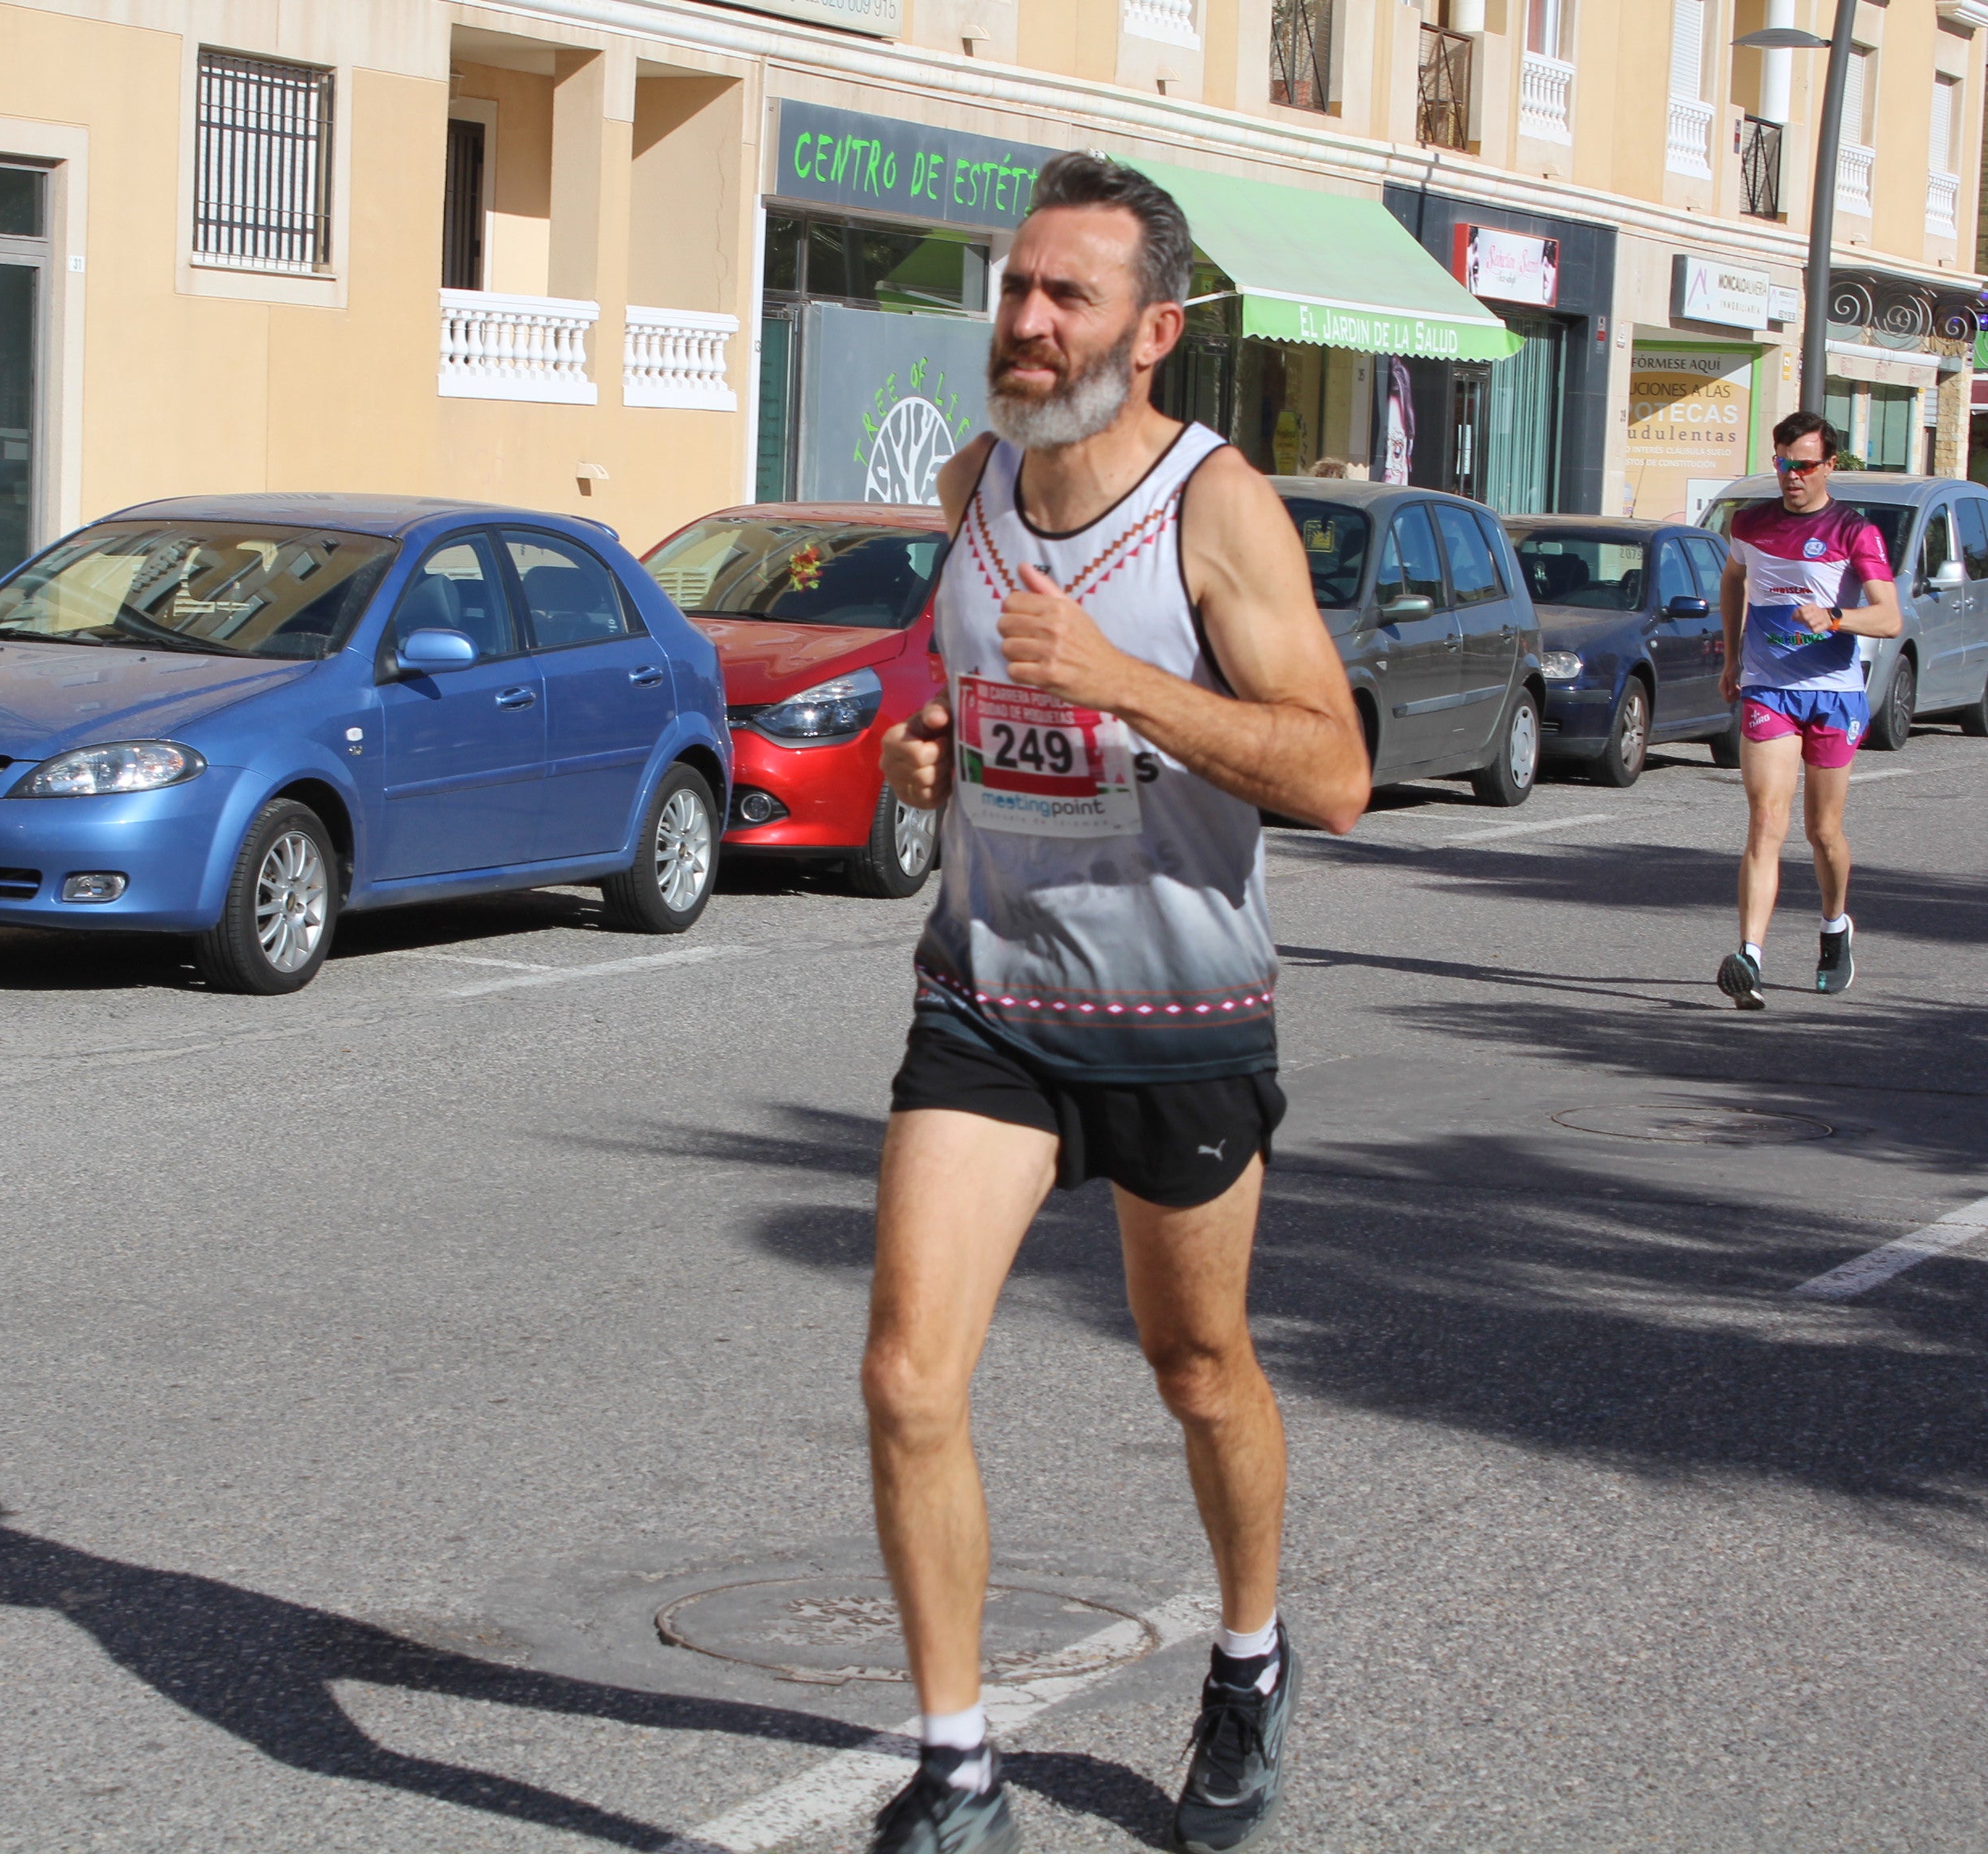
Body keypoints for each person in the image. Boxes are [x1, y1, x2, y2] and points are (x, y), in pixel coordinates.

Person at [860, 153, 1369, 1854]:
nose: (1023, 317)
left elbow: (1337, 774)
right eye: (1014, 285)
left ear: (1151, 332)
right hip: (989, 1000)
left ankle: (1250, 1657)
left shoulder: (1214, 509)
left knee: (1200, 1365)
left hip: (1182, 1014)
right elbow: (972, 715)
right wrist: (934, 758)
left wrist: (1126, 679)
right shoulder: (969, 485)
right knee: (909, 1380)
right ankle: (956, 1770)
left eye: (1065, 294)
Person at [1714, 411, 1902, 1009]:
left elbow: (1891, 618)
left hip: (1834, 692)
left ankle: (1835, 925)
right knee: (1767, 820)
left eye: (1804, 464)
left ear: (1829, 466)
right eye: (1783, 463)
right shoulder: (1749, 522)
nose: (1791, 476)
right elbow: (1733, 580)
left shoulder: (1854, 532)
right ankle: (1750, 957)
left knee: (1823, 833)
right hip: (1769, 688)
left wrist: (1836, 617)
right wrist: (1732, 654)